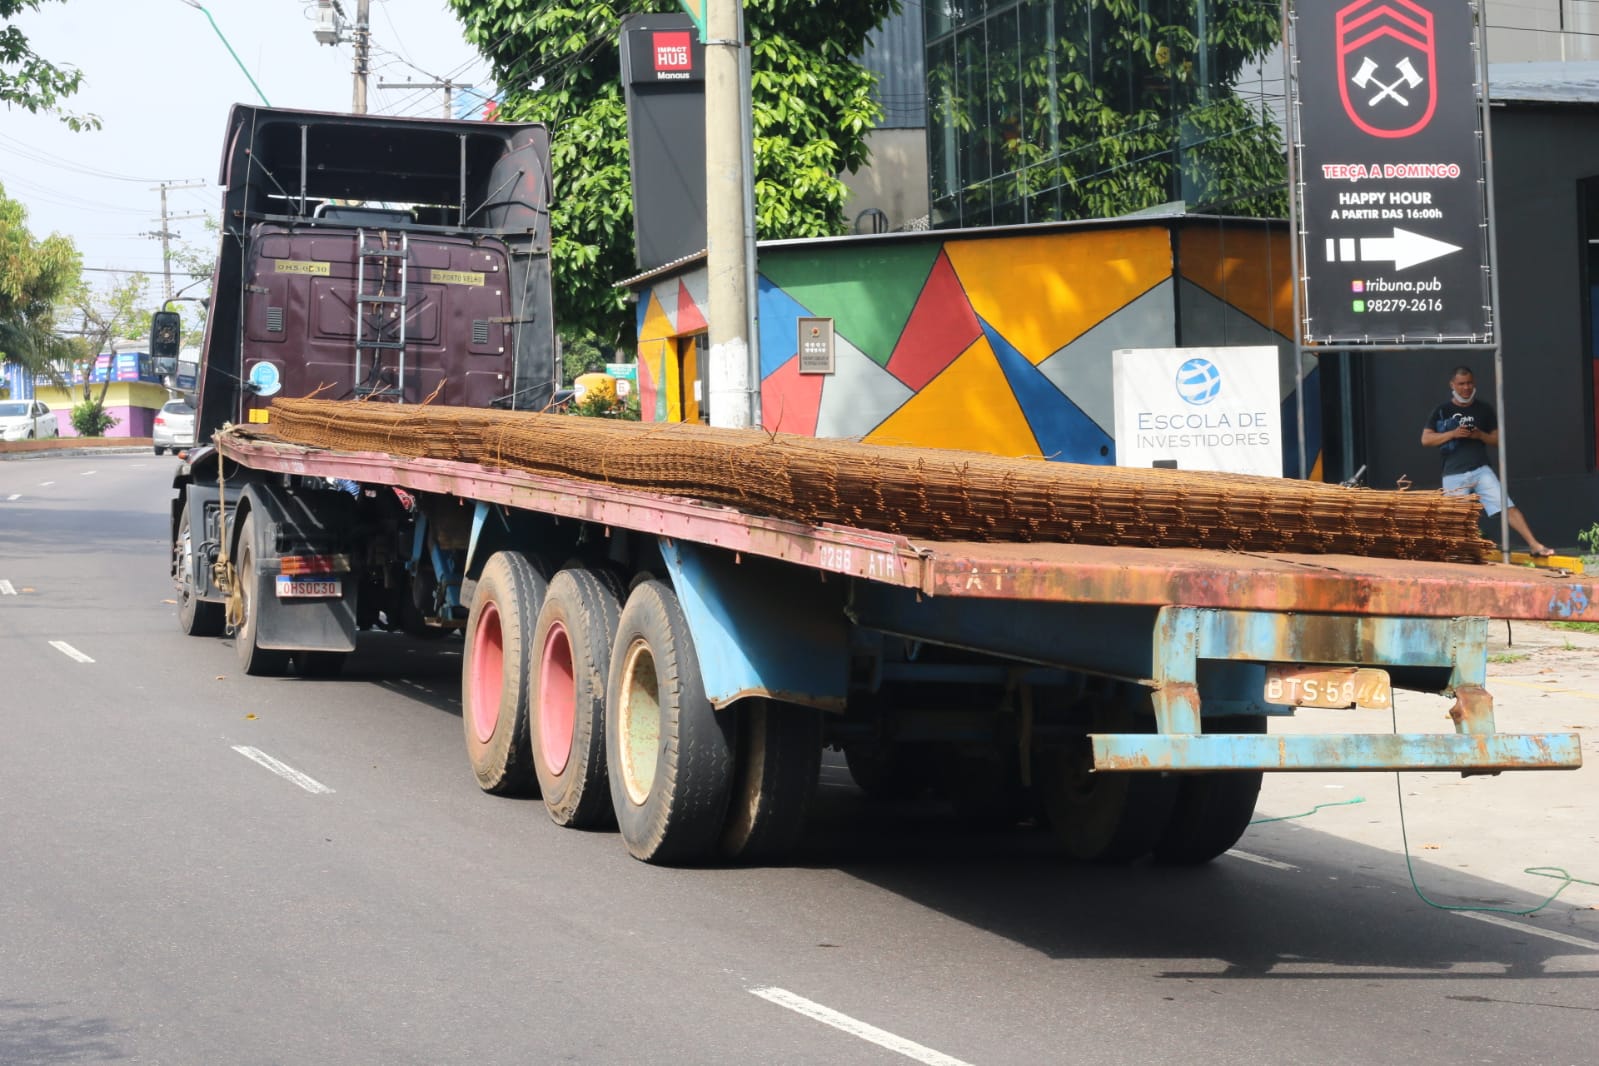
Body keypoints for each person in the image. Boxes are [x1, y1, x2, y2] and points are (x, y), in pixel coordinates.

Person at [1420, 365, 1554, 557]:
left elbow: (1498, 440)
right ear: (1452, 385)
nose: (1466, 387)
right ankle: (1451, 553)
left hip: (1480, 469)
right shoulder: (1442, 410)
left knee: (1507, 506)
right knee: (1453, 517)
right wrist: (1453, 433)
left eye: (1469, 383)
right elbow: (1425, 440)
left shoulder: (1484, 409)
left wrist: (1479, 435)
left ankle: (1535, 545)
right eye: (1461, 384)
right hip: (1453, 472)